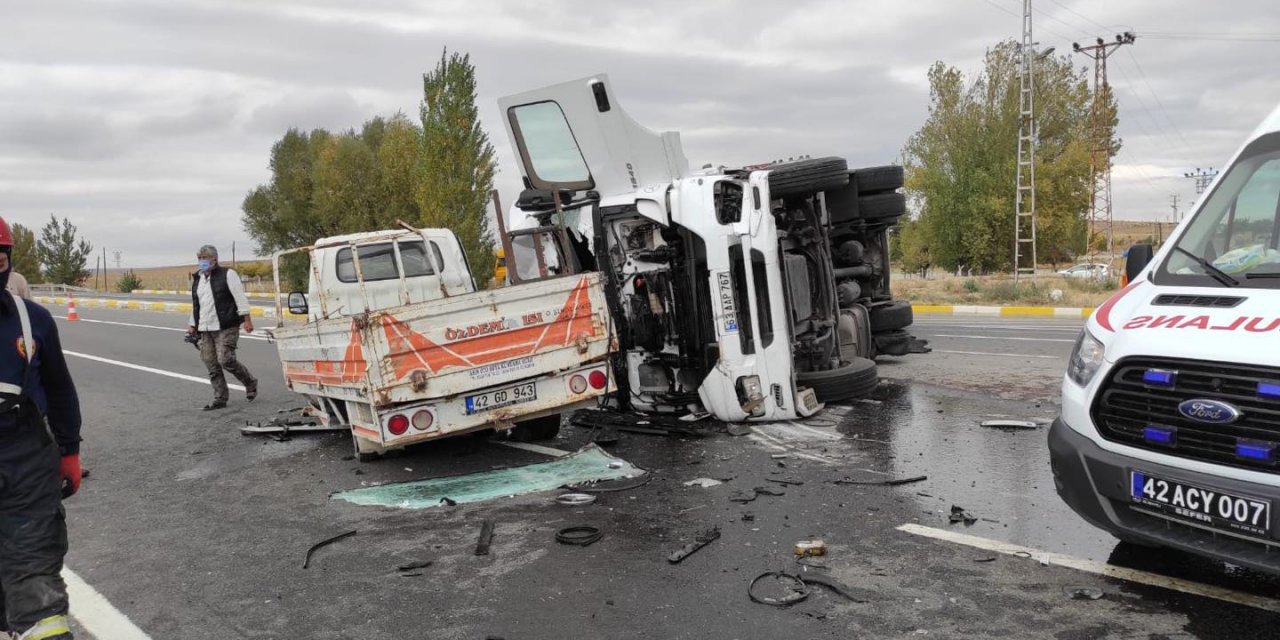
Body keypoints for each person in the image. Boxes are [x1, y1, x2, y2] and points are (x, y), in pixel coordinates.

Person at [0, 217, 81, 639]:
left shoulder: (32, 320)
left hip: (25, 456)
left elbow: (60, 388)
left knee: (35, 572)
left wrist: (69, 450)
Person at [186, 245, 257, 411]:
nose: (202, 262)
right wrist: (192, 324)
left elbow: (240, 298)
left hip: (226, 324)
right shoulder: (198, 279)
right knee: (210, 362)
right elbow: (197, 304)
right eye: (200, 258)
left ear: (214, 260)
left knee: (225, 359)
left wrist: (247, 319)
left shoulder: (228, 274)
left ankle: (250, 382)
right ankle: (220, 397)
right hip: (205, 327)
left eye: (205, 258)